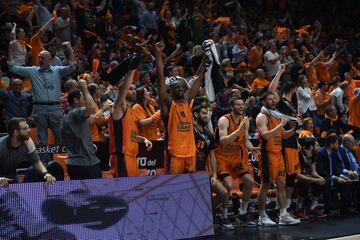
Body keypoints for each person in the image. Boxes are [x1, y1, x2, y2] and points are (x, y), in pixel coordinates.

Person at [8, 41, 76, 145]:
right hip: (39, 109)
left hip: (55, 108)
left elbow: (72, 67)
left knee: (60, 136)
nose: (39, 59)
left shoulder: (57, 70)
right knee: (42, 139)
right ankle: (44, 161)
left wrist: (70, 49)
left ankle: (60, 159)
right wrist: (10, 49)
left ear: (50, 60)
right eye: (39, 57)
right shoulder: (32, 71)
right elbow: (12, 67)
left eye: (42, 58)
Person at [155, 41, 205, 174]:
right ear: (170, 90)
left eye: (182, 87)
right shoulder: (168, 104)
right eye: (177, 87)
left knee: (189, 187)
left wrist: (205, 58)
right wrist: (158, 54)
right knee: (173, 187)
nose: (181, 89)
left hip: (190, 152)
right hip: (175, 153)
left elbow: (198, 78)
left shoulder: (186, 101)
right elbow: (160, 82)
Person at [256, 91, 300, 226]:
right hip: (267, 153)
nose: (273, 101)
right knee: (266, 185)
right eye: (269, 99)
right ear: (264, 102)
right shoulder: (262, 117)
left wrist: (294, 128)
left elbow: (284, 136)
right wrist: (281, 125)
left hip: (278, 153)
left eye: (273, 99)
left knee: (282, 184)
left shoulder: (277, 116)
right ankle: (262, 216)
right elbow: (266, 136)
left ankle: (283, 214)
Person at [215, 96, 259, 227]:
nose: (241, 107)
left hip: (234, 157)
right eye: (238, 105)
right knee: (228, 185)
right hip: (221, 157)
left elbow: (245, 140)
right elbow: (223, 141)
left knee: (249, 181)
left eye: (242, 104)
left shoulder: (245, 121)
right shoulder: (224, 120)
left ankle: (242, 212)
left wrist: (252, 148)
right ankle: (223, 216)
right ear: (232, 107)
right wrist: (238, 130)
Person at [109, 54, 153, 177]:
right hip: (121, 158)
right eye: (130, 88)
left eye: (134, 89)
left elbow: (129, 135)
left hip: (132, 157)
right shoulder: (117, 108)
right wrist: (132, 70)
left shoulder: (131, 111)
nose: (133, 91)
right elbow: (123, 90)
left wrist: (143, 139)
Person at [192, 105, 235, 230]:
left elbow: (212, 157)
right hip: (190, 172)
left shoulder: (209, 135)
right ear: (195, 115)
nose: (206, 116)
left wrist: (215, 175)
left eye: (207, 114)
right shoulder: (190, 130)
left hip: (203, 173)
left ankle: (222, 217)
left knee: (224, 192)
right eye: (204, 113)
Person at [61, 79, 101, 180]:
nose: (86, 100)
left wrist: (88, 144)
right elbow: (92, 108)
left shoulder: (67, 116)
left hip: (74, 163)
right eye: (83, 97)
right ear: (76, 100)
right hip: (86, 164)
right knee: (96, 194)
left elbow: (88, 123)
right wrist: (84, 87)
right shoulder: (76, 112)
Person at [0, 117, 56, 186]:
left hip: (12, 178)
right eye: (25, 128)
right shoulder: (1, 145)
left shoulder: (28, 142)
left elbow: (36, 162)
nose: (29, 130)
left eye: (28, 127)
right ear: (16, 132)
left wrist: (46, 173)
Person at [316, 135, 353, 215]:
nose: (338, 146)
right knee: (328, 182)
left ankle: (344, 209)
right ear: (331, 144)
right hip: (323, 176)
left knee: (345, 182)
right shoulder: (321, 153)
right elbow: (321, 170)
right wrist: (335, 178)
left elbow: (336, 169)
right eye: (337, 143)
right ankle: (327, 210)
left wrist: (342, 177)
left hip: (332, 176)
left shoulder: (333, 153)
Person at [294, 138, 327, 219]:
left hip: (306, 176)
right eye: (317, 145)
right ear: (311, 147)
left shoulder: (313, 155)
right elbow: (297, 175)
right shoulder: (299, 155)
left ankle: (313, 208)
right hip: (296, 178)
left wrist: (320, 178)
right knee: (305, 184)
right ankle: (298, 209)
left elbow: (313, 171)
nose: (319, 147)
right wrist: (315, 179)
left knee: (322, 182)